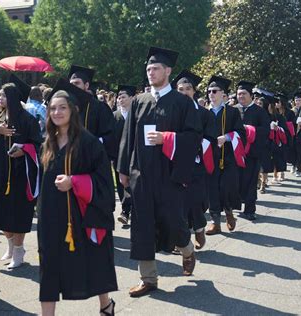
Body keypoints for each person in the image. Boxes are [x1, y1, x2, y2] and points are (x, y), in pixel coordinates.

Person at [117, 47, 201, 297]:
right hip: (141, 174)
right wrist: (123, 169)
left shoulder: (182, 103)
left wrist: (167, 138)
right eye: (148, 69)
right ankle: (149, 279)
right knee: (141, 226)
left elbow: (194, 138)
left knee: (174, 222)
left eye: (155, 69)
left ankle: (187, 249)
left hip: (169, 175)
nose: (151, 72)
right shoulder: (139, 102)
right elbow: (128, 137)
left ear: (168, 71)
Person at [38, 83, 117, 316]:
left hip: (80, 215)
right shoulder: (48, 142)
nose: (57, 112)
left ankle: (106, 304)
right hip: (51, 214)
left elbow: (104, 181)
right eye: (52, 108)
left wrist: (75, 182)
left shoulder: (89, 142)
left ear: (73, 111)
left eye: (62, 107)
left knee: (93, 260)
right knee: (49, 264)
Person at [0, 76, 42, 269]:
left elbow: (39, 145)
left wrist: (25, 150)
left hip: (22, 175)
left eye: (4, 95)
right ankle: (11, 246)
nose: (0, 98)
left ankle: (19, 251)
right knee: (1, 213)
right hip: (1, 172)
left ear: (13, 97)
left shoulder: (28, 119)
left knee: (19, 213)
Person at [173, 70, 218, 248]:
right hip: (175, 164)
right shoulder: (171, 111)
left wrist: (195, 145)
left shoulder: (204, 114)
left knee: (195, 201)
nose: (184, 92)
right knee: (177, 203)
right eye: (181, 89)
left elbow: (211, 138)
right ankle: (182, 241)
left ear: (194, 91)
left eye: (188, 89)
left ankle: (199, 228)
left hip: (196, 164)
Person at [204, 75, 245, 235]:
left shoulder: (232, 112)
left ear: (223, 94)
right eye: (209, 91)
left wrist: (227, 137)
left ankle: (228, 212)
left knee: (226, 187)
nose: (211, 94)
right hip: (209, 158)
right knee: (212, 189)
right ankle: (215, 222)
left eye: (214, 91)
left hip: (227, 158)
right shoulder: (204, 113)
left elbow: (241, 132)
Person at [237, 81, 270, 221]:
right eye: (239, 94)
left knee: (251, 182)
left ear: (251, 95)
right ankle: (234, 206)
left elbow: (266, 131)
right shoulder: (233, 110)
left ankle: (250, 210)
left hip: (252, 153)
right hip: (235, 153)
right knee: (236, 181)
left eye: (244, 94)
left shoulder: (259, 111)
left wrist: (250, 129)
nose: (241, 96)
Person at [68, 65, 116, 159]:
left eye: (77, 83)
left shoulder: (100, 107)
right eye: (71, 84)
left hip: (94, 157)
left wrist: (92, 143)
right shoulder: (67, 107)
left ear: (86, 85)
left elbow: (111, 136)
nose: (73, 87)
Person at [113, 85, 136, 226]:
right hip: (118, 156)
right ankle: (125, 209)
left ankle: (130, 210)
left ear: (132, 98)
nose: (120, 100)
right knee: (122, 183)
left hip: (135, 155)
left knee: (134, 183)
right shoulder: (114, 116)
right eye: (119, 97)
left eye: (123, 97)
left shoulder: (137, 114)